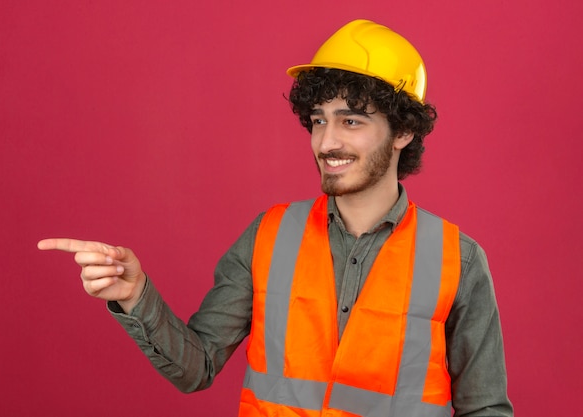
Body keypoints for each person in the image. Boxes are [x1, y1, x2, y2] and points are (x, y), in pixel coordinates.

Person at [38, 19, 513, 417]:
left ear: (403, 131)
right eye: (318, 119)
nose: (326, 142)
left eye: (351, 120)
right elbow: (195, 367)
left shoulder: (459, 260)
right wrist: (135, 295)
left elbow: (484, 408)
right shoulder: (269, 236)